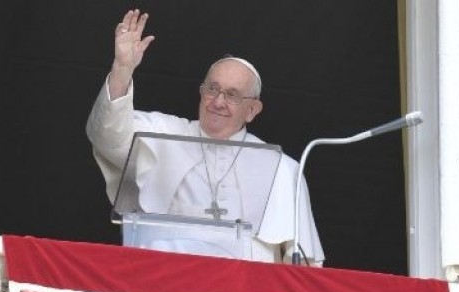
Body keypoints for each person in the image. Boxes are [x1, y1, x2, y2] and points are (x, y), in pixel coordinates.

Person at [87, 9, 324, 265]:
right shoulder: (164, 134)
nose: (218, 102)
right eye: (213, 89)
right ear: (201, 92)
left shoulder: (282, 168)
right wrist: (122, 69)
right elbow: (107, 135)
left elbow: (303, 266)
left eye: (232, 95)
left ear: (252, 110)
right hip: (163, 280)